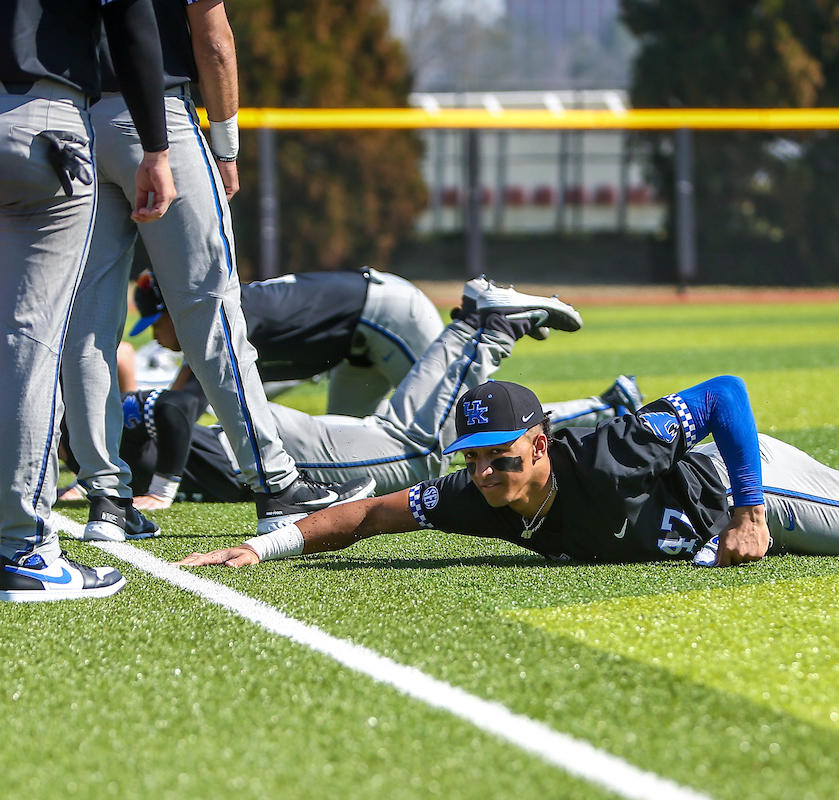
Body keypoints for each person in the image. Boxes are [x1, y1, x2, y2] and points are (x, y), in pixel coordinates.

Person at [176, 352, 839, 570]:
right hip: (737, 483)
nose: (483, 472)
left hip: (740, 476)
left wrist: (748, 510)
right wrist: (264, 548)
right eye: (473, 458)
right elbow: (372, 510)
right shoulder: (481, 496)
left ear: (539, 443)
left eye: (499, 456)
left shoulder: (606, 443)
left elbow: (727, 392)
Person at [57, 0, 376, 546]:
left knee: (87, 325)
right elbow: (215, 40)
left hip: (73, 121)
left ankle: (106, 500)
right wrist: (226, 149)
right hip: (158, 120)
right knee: (213, 315)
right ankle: (275, 487)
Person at [60, 279, 639, 510]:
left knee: (427, 445)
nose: (159, 338)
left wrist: (156, 489)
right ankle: (596, 408)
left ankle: (485, 326)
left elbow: (179, 405)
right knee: (431, 441)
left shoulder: (217, 316)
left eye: (156, 325)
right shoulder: (208, 319)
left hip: (380, 315)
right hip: (313, 397)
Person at [1, 0, 177, 601]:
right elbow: (132, 17)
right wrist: (156, 145)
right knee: (30, 344)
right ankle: (22, 547)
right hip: (42, 119)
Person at [129, 267, 445, 419]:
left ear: (176, 312)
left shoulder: (225, 320)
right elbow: (180, 398)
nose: (155, 336)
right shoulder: (217, 320)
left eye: (157, 323)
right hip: (354, 345)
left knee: (445, 410)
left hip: (387, 311)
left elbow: (187, 403)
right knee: (346, 444)